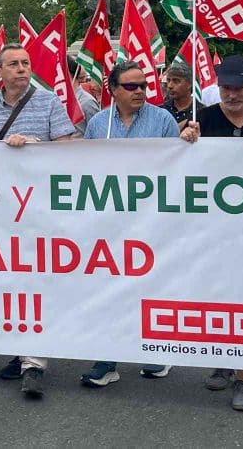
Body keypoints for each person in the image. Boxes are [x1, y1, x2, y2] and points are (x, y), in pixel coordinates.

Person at [179, 55, 243, 412]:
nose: (231, 94)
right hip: (211, 230)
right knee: (216, 296)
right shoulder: (202, 119)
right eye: (225, 88)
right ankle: (223, 359)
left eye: (238, 87)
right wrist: (186, 140)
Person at [0, 44, 75, 399]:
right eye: (13, 64)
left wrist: (34, 146)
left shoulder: (48, 101)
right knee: (9, 282)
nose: (21, 69)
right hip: (2, 211)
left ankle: (34, 364)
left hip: (38, 209)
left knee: (35, 283)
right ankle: (20, 351)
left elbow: (67, 146)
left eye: (26, 63)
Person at [78, 60, 178, 390]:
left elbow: (178, 167)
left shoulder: (163, 119)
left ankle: (156, 349)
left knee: (152, 286)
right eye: (131, 86)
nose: (140, 92)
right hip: (110, 222)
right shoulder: (97, 123)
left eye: (144, 86)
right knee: (110, 290)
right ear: (113, 90)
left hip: (152, 221)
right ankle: (107, 360)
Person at [161, 61, 204, 129]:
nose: (170, 85)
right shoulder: (160, 111)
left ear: (189, 84)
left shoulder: (203, 112)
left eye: (176, 81)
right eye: (168, 80)